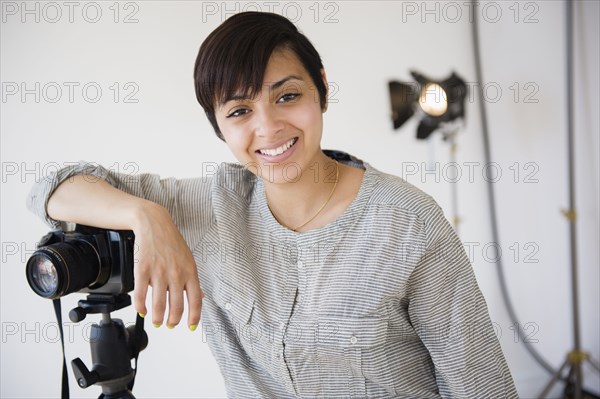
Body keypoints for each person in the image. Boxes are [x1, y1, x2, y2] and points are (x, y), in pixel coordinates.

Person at [27, 11, 518, 398]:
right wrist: (146, 215)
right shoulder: (208, 205)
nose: (268, 128)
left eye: (286, 96)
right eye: (240, 110)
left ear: (321, 87)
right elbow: (51, 188)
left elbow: (482, 388)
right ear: (219, 128)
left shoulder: (409, 222)